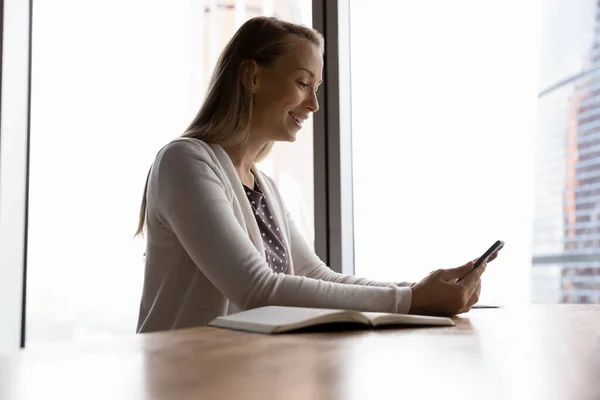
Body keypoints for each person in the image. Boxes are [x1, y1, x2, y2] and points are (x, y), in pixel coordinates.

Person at [134, 16, 496, 334]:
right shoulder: (184, 161)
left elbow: (316, 277)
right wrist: (411, 298)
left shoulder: (265, 188)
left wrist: (421, 289)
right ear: (252, 76)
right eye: (303, 83)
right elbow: (256, 288)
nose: (313, 105)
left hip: (240, 376)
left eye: (316, 88)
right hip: (182, 381)